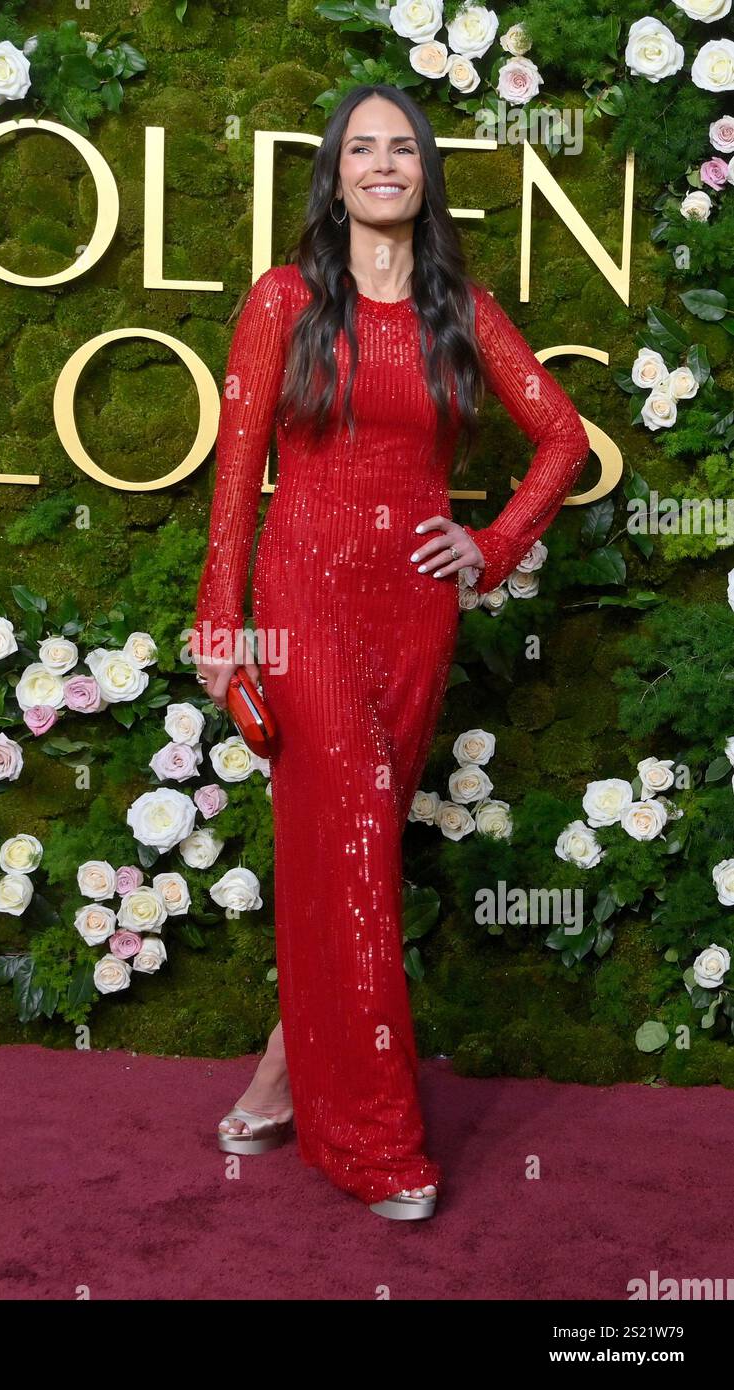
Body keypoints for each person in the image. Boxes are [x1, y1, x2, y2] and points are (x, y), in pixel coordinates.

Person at [188, 84, 591, 1221]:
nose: (380, 164)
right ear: (332, 174)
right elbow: (234, 471)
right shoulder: (281, 301)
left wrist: (494, 542)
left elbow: (561, 435)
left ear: (424, 172)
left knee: (344, 861)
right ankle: (375, 1145)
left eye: (399, 148)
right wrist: (222, 628)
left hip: (413, 610)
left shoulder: (459, 305)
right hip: (303, 600)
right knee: (355, 854)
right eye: (359, 148)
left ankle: (281, 1069)